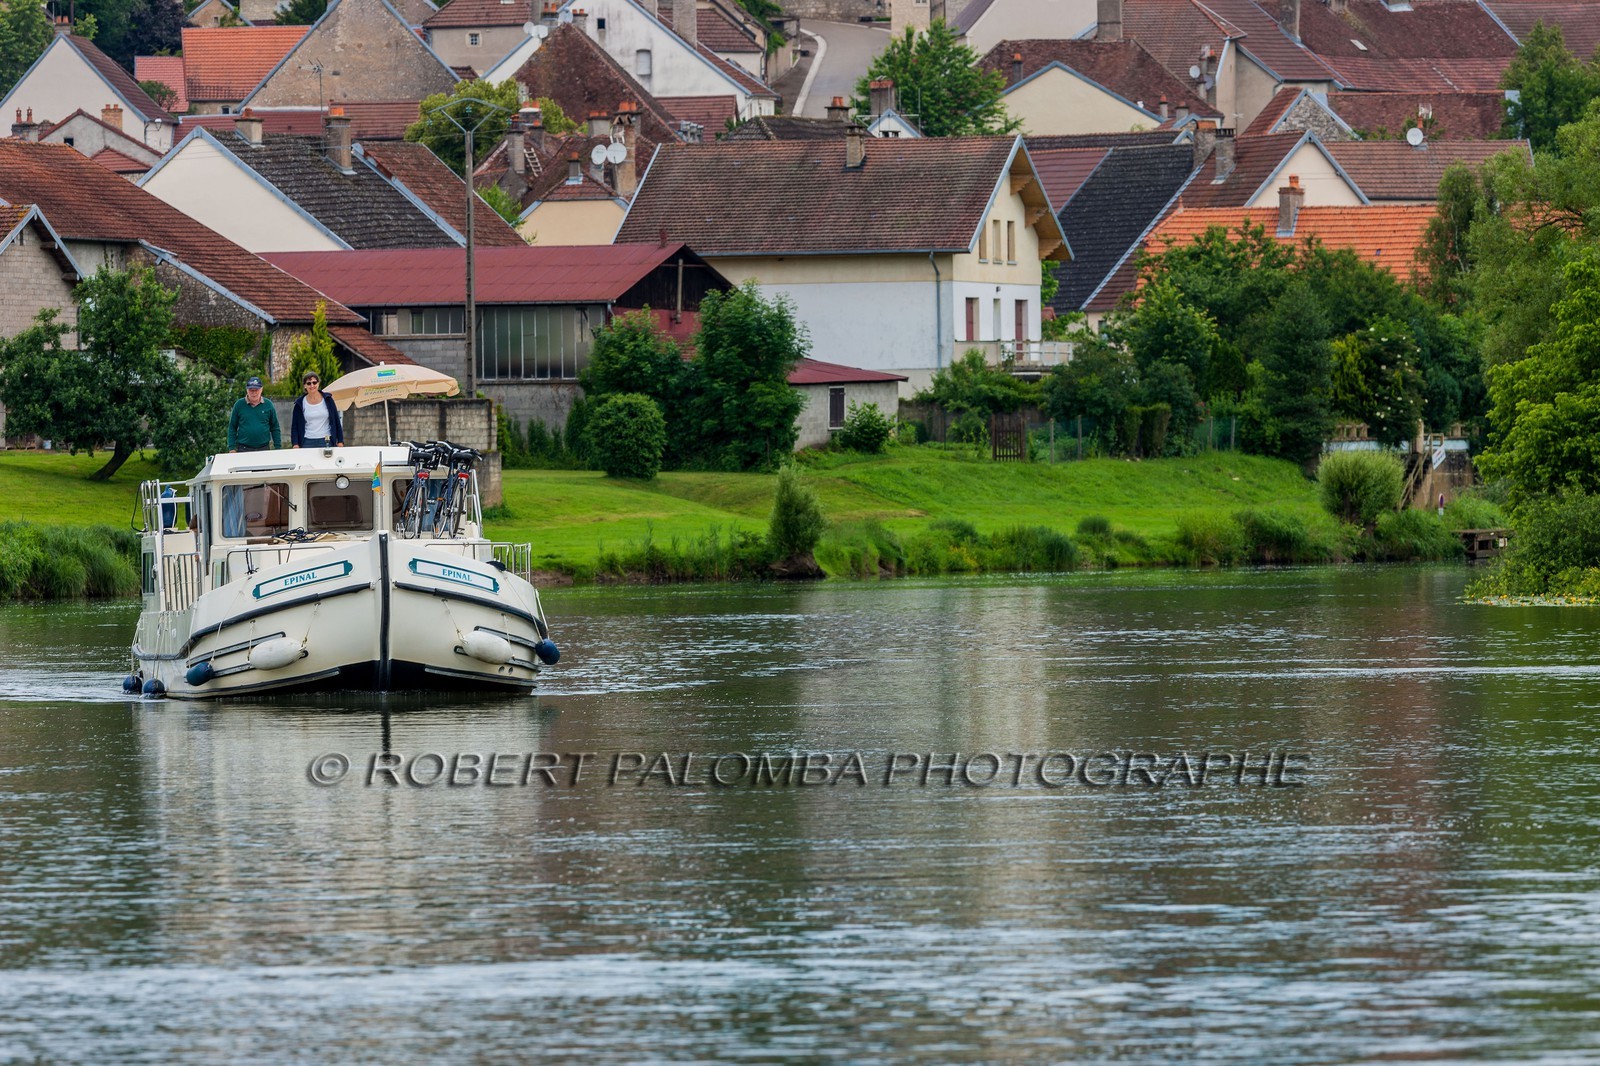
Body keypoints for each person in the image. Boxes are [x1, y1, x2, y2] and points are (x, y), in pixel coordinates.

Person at [291, 371, 344, 448]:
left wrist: (340, 441)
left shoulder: (328, 400)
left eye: (314, 382)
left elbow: (336, 421)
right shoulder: (300, 403)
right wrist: (295, 444)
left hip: (326, 441)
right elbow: (294, 426)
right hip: (307, 441)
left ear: (318, 383)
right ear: (305, 386)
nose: (312, 385)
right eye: (309, 383)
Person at [227, 377, 281, 452]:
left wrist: (278, 448)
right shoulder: (239, 405)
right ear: (247, 390)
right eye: (251, 390)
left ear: (261, 389)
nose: (254, 392)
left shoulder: (268, 405)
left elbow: (275, 427)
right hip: (243, 449)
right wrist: (232, 448)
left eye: (256, 390)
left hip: (264, 449)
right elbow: (232, 427)